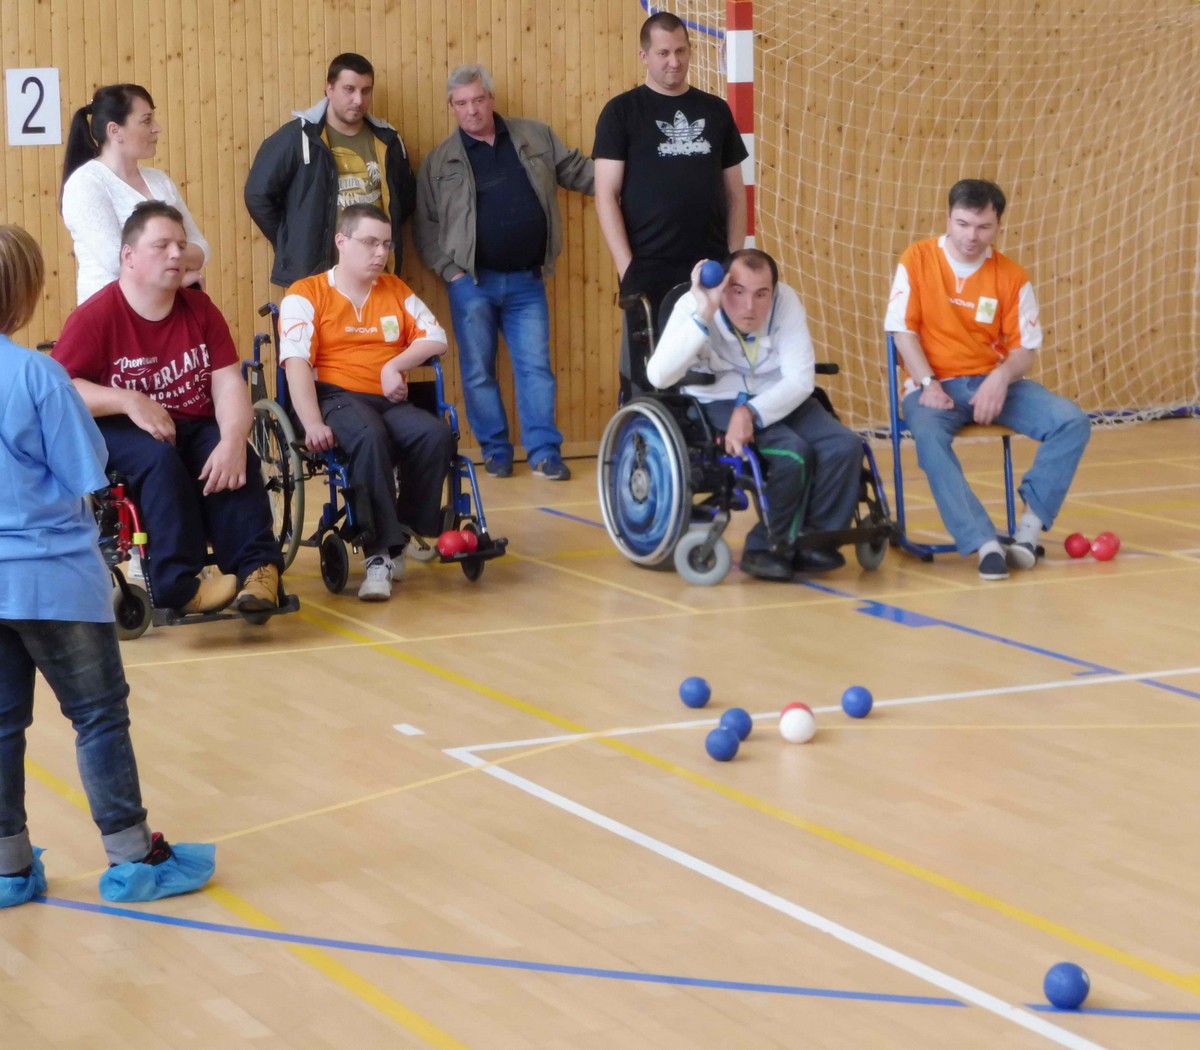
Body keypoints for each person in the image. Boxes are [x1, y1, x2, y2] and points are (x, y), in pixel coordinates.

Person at [0, 224, 214, 908]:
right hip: (53, 576)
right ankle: (131, 857)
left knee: (2, 725)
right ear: (23, 293)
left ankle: (6, 865)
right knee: (97, 717)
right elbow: (86, 468)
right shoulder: (36, 376)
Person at [52, 201, 285, 617]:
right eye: (162, 246)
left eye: (181, 244)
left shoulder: (200, 309)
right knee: (160, 462)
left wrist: (234, 439)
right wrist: (128, 399)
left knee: (232, 457)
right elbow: (63, 389)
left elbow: (227, 382)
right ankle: (179, 586)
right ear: (128, 256)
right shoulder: (96, 316)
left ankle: (258, 570)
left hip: (192, 421)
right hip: (121, 429)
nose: (177, 254)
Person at [884, 179, 1091, 580]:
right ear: (948, 218)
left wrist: (1000, 378)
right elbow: (901, 332)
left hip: (993, 382)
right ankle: (983, 543)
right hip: (933, 387)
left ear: (998, 226)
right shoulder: (917, 259)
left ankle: (1027, 533)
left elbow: (1024, 349)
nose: (971, 237)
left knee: (1071, 421)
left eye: (983, 227)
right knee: (929, 438)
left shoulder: (1011, 276)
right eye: (962, 224)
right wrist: (928, 384)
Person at [413, 65, 593, 481]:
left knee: (536, 368)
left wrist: (627, 174)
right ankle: (495, 451)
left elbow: (576, 169)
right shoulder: (439, 161)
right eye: (462, 103)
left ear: (491, 99)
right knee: (479, 372)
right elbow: (425, 225)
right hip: (471, 284)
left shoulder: (534, 137)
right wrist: (450, 272)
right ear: (451, 107)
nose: (472, 110)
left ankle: (544, 453)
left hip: (528, 281)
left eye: (478, 99)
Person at [647, 249, 862, 582]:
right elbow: (659, 376)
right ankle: (764, 549)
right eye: (738, 291)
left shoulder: (786, 302)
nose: (749, 306)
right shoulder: (693, 304)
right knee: (792, 453)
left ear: (773, 291)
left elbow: (800, 379)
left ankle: (816, 540)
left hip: (777, 395)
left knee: (845, 444)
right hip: (718, 398)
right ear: (723, 285)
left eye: (761, 294)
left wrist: (750, 411)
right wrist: (705, 313)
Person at [278, 204, 454, 602]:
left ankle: (401, 532)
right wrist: (312, 423)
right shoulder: (306, 293)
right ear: (341, 241)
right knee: (369, 437)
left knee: (435, 436)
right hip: (334, 398)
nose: (380, 253)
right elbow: (297, 363)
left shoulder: (395, 289)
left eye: (386, 245)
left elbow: (436, 337)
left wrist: (396, 365)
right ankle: (378, 554)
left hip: (387, 399)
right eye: (371, 242)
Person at [593, 11, 748, 396]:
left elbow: (735, 193)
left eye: (681, 51)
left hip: (709, 267)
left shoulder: (716, 111)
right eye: (663, 53)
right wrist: (627, 267)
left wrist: (733, 258)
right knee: (652, 376)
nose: (674, 61)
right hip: (648, 266)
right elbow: (606, 195)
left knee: (715, 371)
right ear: (644, 56)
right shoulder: (621, 112)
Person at [244, 52, 417, 289]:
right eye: (349, 89)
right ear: (329, 89)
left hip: (376, 276)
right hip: (315, 279)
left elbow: (404, 200)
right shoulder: (297, 137)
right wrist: (291, 240)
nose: (358, 100)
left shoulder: (388, 140)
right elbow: (257, 194)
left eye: (366, 91)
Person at [60, 83, 209, 305]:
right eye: (146, 121)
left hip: (166, 309)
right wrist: (179, 277)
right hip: (111, 312)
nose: (156, 128)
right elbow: (116, 261)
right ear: (115, 130)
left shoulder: (160, 180)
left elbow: (201, 247)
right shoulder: (86, 183)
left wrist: (164, 260)